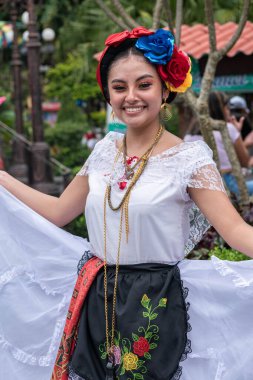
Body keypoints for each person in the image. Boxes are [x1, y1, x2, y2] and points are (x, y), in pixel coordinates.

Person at [0, 27, 253, 380]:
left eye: (144, 85)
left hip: (155, 303)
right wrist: (2, 178)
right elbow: (59, 211)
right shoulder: (104, 150)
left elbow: (236, 229)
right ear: (108, 94)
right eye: (119, 87)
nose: (131, 96)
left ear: (165, 89)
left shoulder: (190, 159)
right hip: (96, 297)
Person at [185, 91, 253, 197]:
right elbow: (245, 162)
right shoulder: (227, 129)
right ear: (221, 109)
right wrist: (243, 139)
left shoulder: (188, 137)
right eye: (227, 108)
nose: (229, 112)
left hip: (201, 187)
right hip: (229, 184)